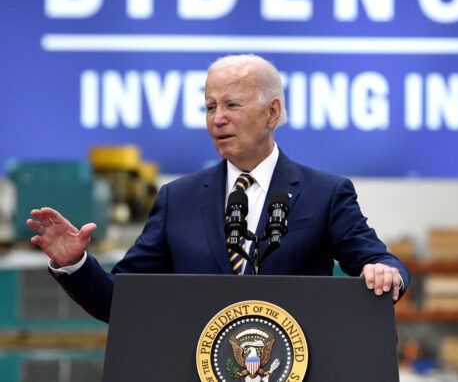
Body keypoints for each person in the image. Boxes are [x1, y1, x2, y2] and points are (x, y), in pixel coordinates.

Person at [27, 54, 410, 322]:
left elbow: (382, 262)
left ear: (272, 112)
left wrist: (386, 272)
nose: (218, 119)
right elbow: (123, 302)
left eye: (232, 104)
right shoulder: (178, 199)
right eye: (210, 107)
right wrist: (74, 264)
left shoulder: (325, 194)